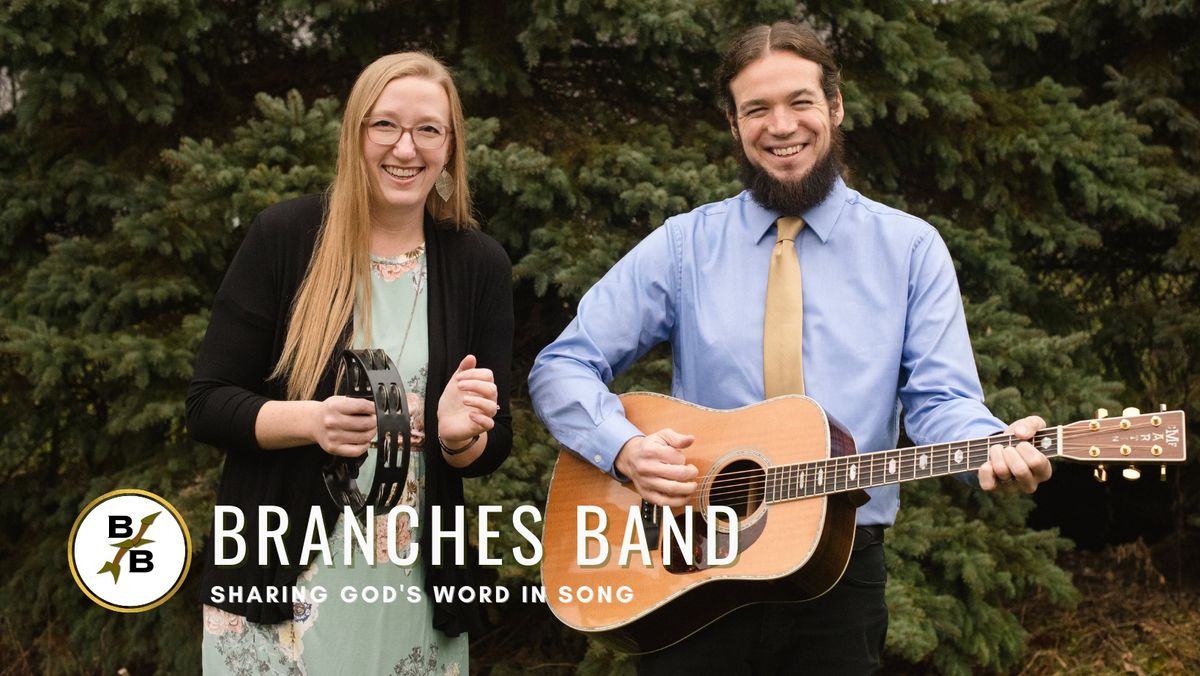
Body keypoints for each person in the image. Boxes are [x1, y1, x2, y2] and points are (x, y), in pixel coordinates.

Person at [528, 21, 1051, 674]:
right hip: (691, 559)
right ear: (733, 123)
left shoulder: (910, 250)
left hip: (839, 569)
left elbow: (942, 400)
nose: (782, 126)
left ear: (834, 106)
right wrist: (625, 449)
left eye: (800, 102)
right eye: (758, 109)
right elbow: (562, 366)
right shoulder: (684, 246)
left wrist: (989, 441)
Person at [187, 52, 513, 674]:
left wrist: (458, 439)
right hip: (278, 581)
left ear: (449, 147)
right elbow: (207, 405)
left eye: (428, 130)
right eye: (385, 125)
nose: (406, 148)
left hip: (409, 589)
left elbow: (492, 444)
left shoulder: (478, 264)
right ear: (355, 136)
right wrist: (312, 422)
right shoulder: (285, 237)